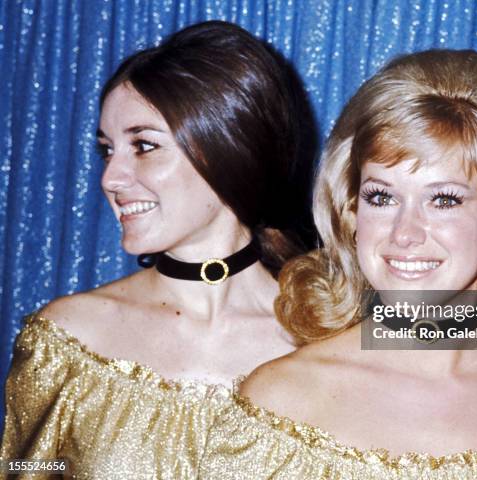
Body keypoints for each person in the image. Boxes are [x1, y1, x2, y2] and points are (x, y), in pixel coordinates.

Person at [199, 50, 477, 479]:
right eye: (382, 197)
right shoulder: (279, 405)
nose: (404, 233)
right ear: (352, 211)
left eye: (443, 199)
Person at [0, 20, 309, 478]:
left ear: (230, 149)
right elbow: (20, 466)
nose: (110, 179)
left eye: (144, 146)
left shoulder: (325, 334)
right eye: (107, 150)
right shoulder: (66, 340)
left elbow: (449, 330)